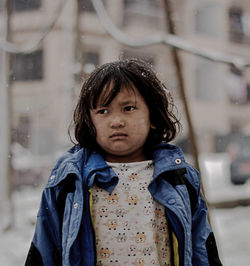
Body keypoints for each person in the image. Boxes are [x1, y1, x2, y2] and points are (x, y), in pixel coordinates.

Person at [25, 58, 222, 266]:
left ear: (153, 117)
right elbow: (44, 249)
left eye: (128, 108)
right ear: (90, 121)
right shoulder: (70, 179)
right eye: (103, 111)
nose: (116, 121)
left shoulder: (177, 178)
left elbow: (202, 248)